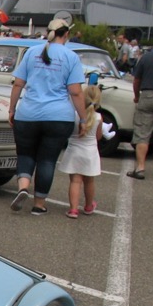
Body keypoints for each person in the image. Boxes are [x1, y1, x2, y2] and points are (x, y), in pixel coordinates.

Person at [7, 18, 87, 215]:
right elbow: (75, 91)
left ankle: (23, 187)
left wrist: (12, 109)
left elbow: (18, 84)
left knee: (25, 154)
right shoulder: (71, 57)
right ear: (66, 34)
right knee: (47, 160)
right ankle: (39, 204)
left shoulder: (32, 53)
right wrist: (84, 118)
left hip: (28, 114)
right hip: (58, 116)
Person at [57, 84, 106, 217]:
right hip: (90, 152)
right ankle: (89, 206)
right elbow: (99, 136)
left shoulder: (75, 115)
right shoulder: (98, 117)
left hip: (74, 150)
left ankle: (73, 209)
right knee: (89, 181)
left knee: (75, 181)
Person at [129, 44, 153, 179]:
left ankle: (140, 168)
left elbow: (136, 80)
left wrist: (137, 96)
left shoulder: (145, 58)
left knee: (142, 133)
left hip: (148, 95)